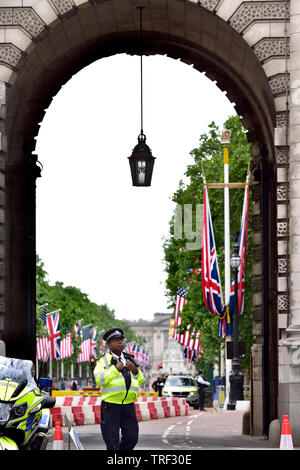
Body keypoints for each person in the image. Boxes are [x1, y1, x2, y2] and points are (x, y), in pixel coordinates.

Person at [93, 328, 144, 450]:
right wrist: (115, 370)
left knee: (132, 438)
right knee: (112, 441)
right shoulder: (103, 360)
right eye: (116, 340)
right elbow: (101, 380)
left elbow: (140, 379)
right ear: (109, 344)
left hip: (128, 405)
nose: (120, 342)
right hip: (111, 406)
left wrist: (135, 370)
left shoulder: (129, 359)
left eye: (121, 339)